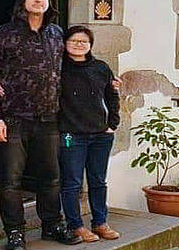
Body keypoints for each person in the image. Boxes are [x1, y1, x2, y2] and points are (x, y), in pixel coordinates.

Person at [0, 0, 82, 250]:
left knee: (51, 177)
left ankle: (52, 225)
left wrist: (106, 82)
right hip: (12, 119)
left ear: (48, 1)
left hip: (49, 119)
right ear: (22, 1)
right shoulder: (2, 35)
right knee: (11, 182)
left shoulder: (57, 34)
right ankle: (15, 234)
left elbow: (76, 66)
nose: (38, 0)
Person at [58, 26, 122, 243]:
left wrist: (112, 123)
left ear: (90, 45)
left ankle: (100, 222)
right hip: (70, 136)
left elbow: (112, 95)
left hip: (100, 136)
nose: (79, 44)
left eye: (84, 41)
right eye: (74, 40)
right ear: (65, 43)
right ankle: (75, 225)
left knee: (98, 181)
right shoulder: (57, 69)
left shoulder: (100, 68)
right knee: (72, 183)